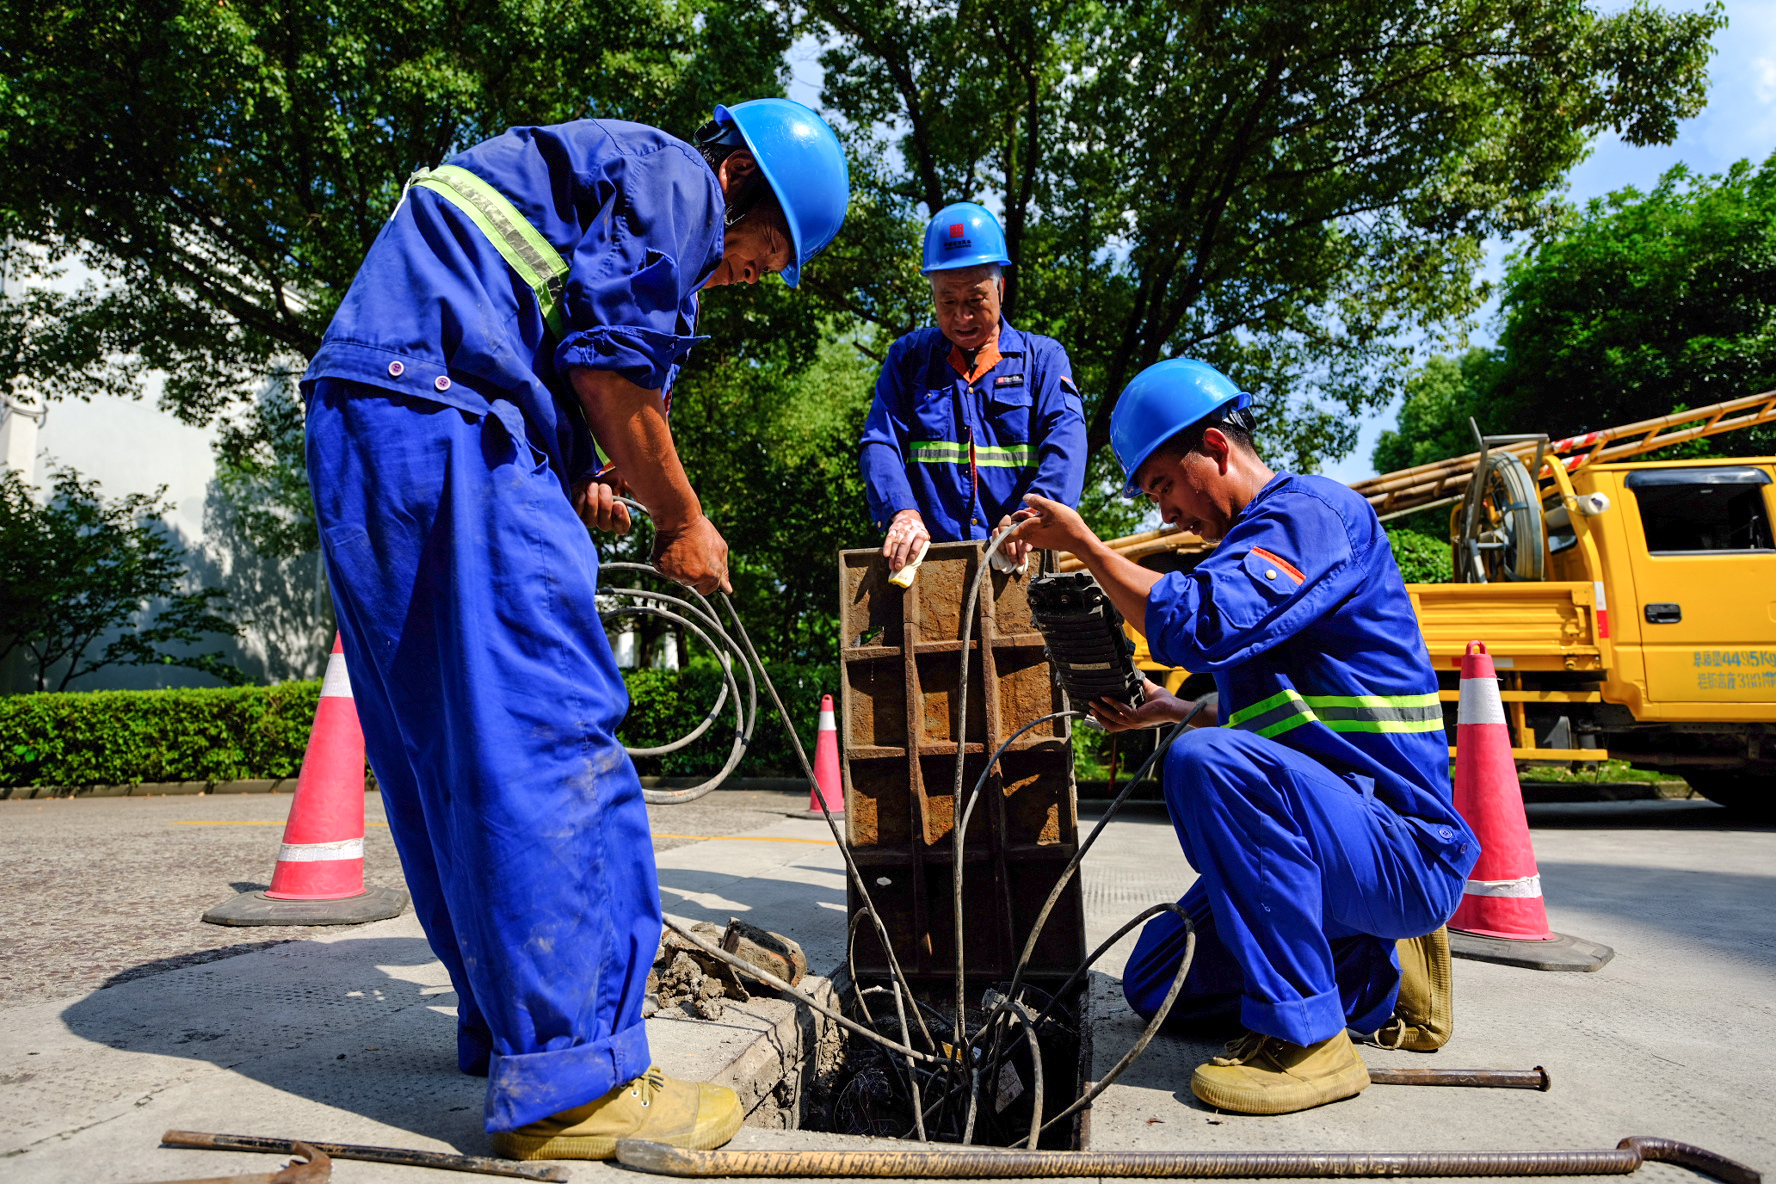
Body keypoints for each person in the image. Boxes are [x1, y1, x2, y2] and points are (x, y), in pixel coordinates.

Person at [299, 100, 849, 1159]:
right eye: (760, 255)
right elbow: (612, 372)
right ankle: (578, 1079)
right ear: (743, 182)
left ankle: (510, 1029)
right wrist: (685, 519)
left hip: (373, 415)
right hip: (451, 411)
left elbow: (553, 349)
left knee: (449, 750)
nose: (740, 277)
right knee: (549, 728)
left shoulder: (584, 177)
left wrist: (583, 475)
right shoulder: (680, 177)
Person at [1009, 358, 1478, 1116]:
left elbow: (1198, 624)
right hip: (1337, 831)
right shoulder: (1246, 554)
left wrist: (1090, 551)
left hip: (1401, 845)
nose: (1165, 515)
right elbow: (1292, 735)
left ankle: (1309, 1041)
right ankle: (1361, 973)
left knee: (1205, 764)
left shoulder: (1311, 515)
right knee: (1157, 981)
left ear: (1216, 449)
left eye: (1163, 486)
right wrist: (1171, 709)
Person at [859, 202, 1086, 574]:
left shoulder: (1043, 359)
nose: (961, 317)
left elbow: (1068, 444)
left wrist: (1031, 516)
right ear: (932, 295)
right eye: (947, 301)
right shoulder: (907, 359)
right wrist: (902, 512)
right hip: (930, 569)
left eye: (975, 300)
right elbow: (880, 442)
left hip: (1021, 564)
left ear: (1000, 289)